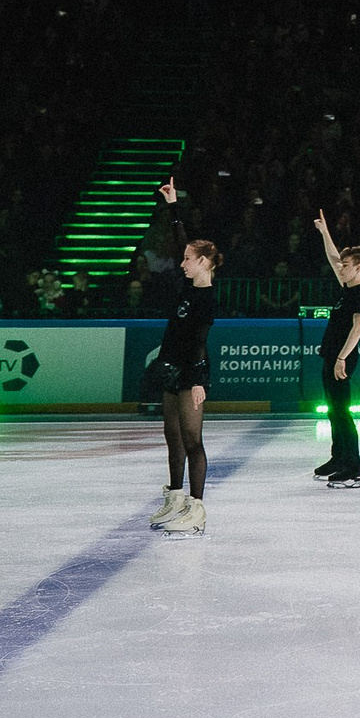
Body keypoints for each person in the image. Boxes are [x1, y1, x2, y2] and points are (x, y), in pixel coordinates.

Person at [149, 192, 220, 535]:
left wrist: (198, 380)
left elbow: (200, 342)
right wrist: (173, 205)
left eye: (190, 259)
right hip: (171, 369)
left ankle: (197, 508)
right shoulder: (187, 287)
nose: (183, 262)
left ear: (205, 262)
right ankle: (176, 498)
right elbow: (182, 241)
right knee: (172, 436)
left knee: (193, 439)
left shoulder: (206, 298)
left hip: (191, 374)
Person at [314, 212, 360, 489]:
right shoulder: (348, 289)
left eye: (346, 265)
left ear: (359, 268)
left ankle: (354, 467)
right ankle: (338, 459)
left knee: (342, 412)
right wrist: (326, 233)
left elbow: (358, 327)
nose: (341, 268)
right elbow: (333, 257)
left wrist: (341, 358)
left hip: (342, 358)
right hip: (332, 356)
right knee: (333, 411)